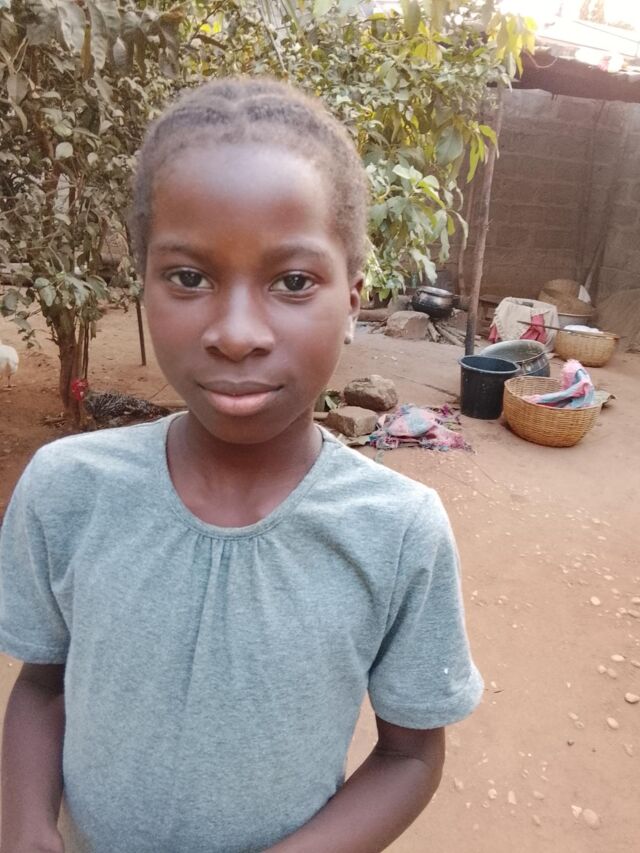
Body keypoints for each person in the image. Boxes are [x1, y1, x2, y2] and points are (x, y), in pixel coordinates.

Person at [0, 78, 483, 853]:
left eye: (293, 281)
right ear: (144, 284)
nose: (235, 333)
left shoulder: (396, 533)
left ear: (352, 299)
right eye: (189, 277)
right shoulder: (67, 490)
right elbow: (41, 685)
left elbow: (410, 754)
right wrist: (27, 827)